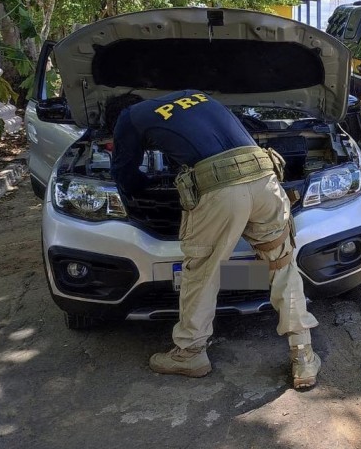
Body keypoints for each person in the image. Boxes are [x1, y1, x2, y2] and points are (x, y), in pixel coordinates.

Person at [104, 90, 321, 389]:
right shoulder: (196, 96)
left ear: (116, 117)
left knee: (203, 272)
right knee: (281, 264)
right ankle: (304, 356)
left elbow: (124, 174)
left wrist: (145, 185)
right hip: (266, 178)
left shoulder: (129, 117)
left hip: (221, 191)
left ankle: (190, 353)